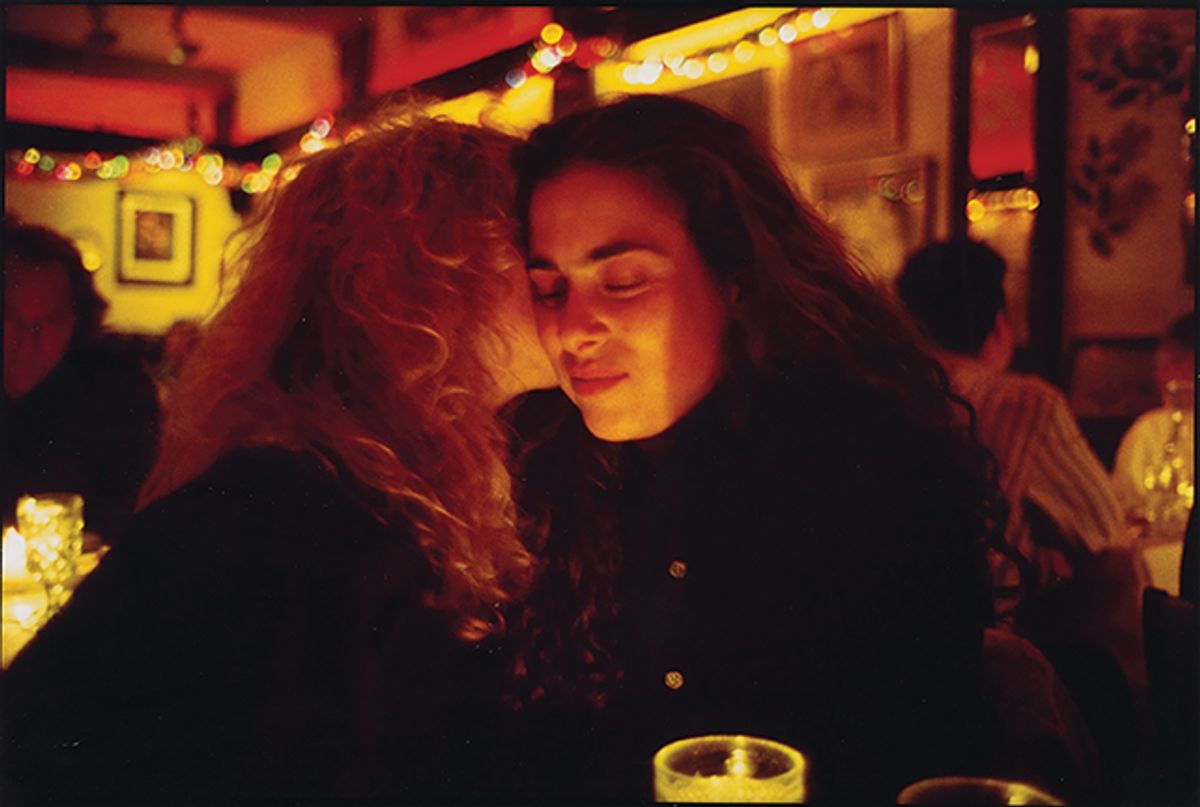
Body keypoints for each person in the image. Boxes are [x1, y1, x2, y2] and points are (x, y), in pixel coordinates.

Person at [2, 109, 555, 804]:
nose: (560, 279)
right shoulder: (285, 519)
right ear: (435, 278)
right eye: (534, 252)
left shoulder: (417, 476)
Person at [498, 95, 1010, 803]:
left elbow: (923, 754)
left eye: (623, 280)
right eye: (548, 288)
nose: (574, 329)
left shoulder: (866, 468)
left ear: (734, 274)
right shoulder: (538, 463)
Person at [897, 239, 1126, 603]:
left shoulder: (878, 389)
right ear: (1000, 325)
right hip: (978, 639)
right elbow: (1102, 525)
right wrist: (1041, 544)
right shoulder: (1024, 402)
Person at [3, 223, 161, 542]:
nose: (28, 340)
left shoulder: (118, 395)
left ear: (76, 321)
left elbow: (140, 520)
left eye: (49, 321)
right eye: (10, 318)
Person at [1112, 312, 1194, 535]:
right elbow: (1128, 513)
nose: (1161, 374)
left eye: (1177, 361)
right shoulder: (1150, 432)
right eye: (1163, 363)